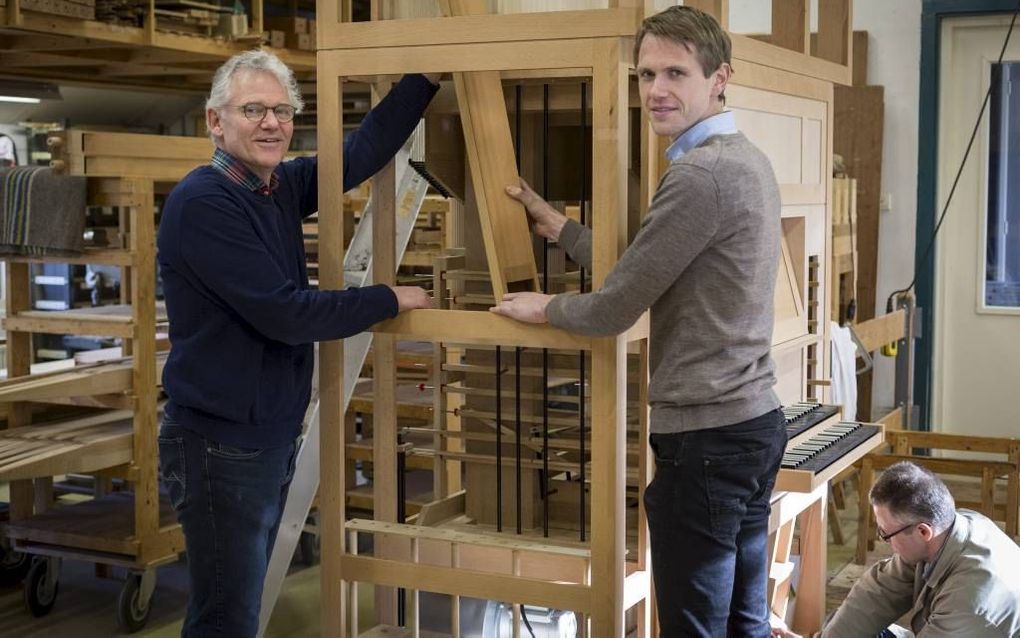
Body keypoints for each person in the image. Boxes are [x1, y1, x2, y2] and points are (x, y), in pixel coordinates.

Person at [491, 6, 785, 636]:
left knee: (695, 627)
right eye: (646, 73)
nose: (655, 90)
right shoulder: (742, 158)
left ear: (719, 78)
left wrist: (545, 308)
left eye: (675, 73)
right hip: (750, 426)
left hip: (706, 441)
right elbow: (656, 264)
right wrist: (563, 230)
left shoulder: (699, 175)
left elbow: (613, 308)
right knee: (743, 623)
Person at [156, 50, 439, 636]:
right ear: (216, 121)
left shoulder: (274, 185)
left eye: (282, 111)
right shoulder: (205, 203)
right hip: (219, 444)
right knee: (225, 618)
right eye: (253, 110)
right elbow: (284, 313)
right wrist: (386, 298)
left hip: (260, 434)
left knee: (239, 607)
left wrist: (425, 78)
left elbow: (356, 157)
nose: (271, 123)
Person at [821, 461, 1020, 638]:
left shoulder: (971, 601)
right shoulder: (946, 529)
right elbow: (878, 592)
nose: (884, 542)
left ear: (923, 532)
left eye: (886, 534)